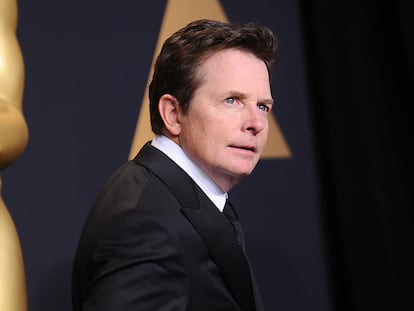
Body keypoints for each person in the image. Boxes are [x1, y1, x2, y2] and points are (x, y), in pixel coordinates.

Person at [71, 19, 277, 311]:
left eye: (262, 106)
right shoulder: (145, 223)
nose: (256, 123)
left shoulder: (179, 197)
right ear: (173, 114)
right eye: (232, 100)